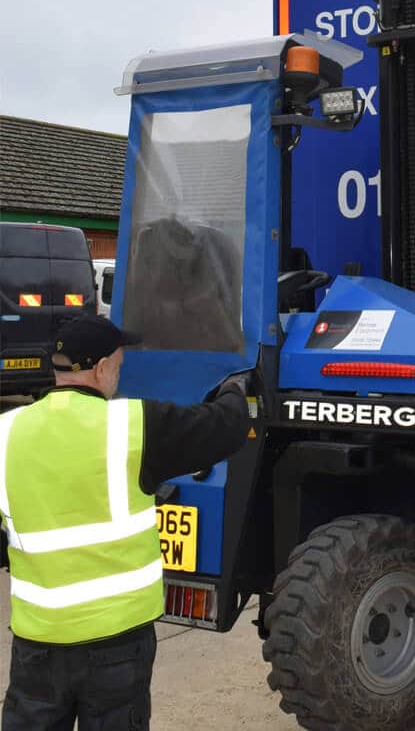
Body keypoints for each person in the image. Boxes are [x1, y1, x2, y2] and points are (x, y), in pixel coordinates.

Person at [0, 313, 250, 730]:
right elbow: (223, 429)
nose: (119, 374)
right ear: (100, 368)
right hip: (116, 645)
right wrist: (235, 388)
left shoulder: (6, 433)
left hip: (37, 645)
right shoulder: (131, 426)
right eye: (118, 365)